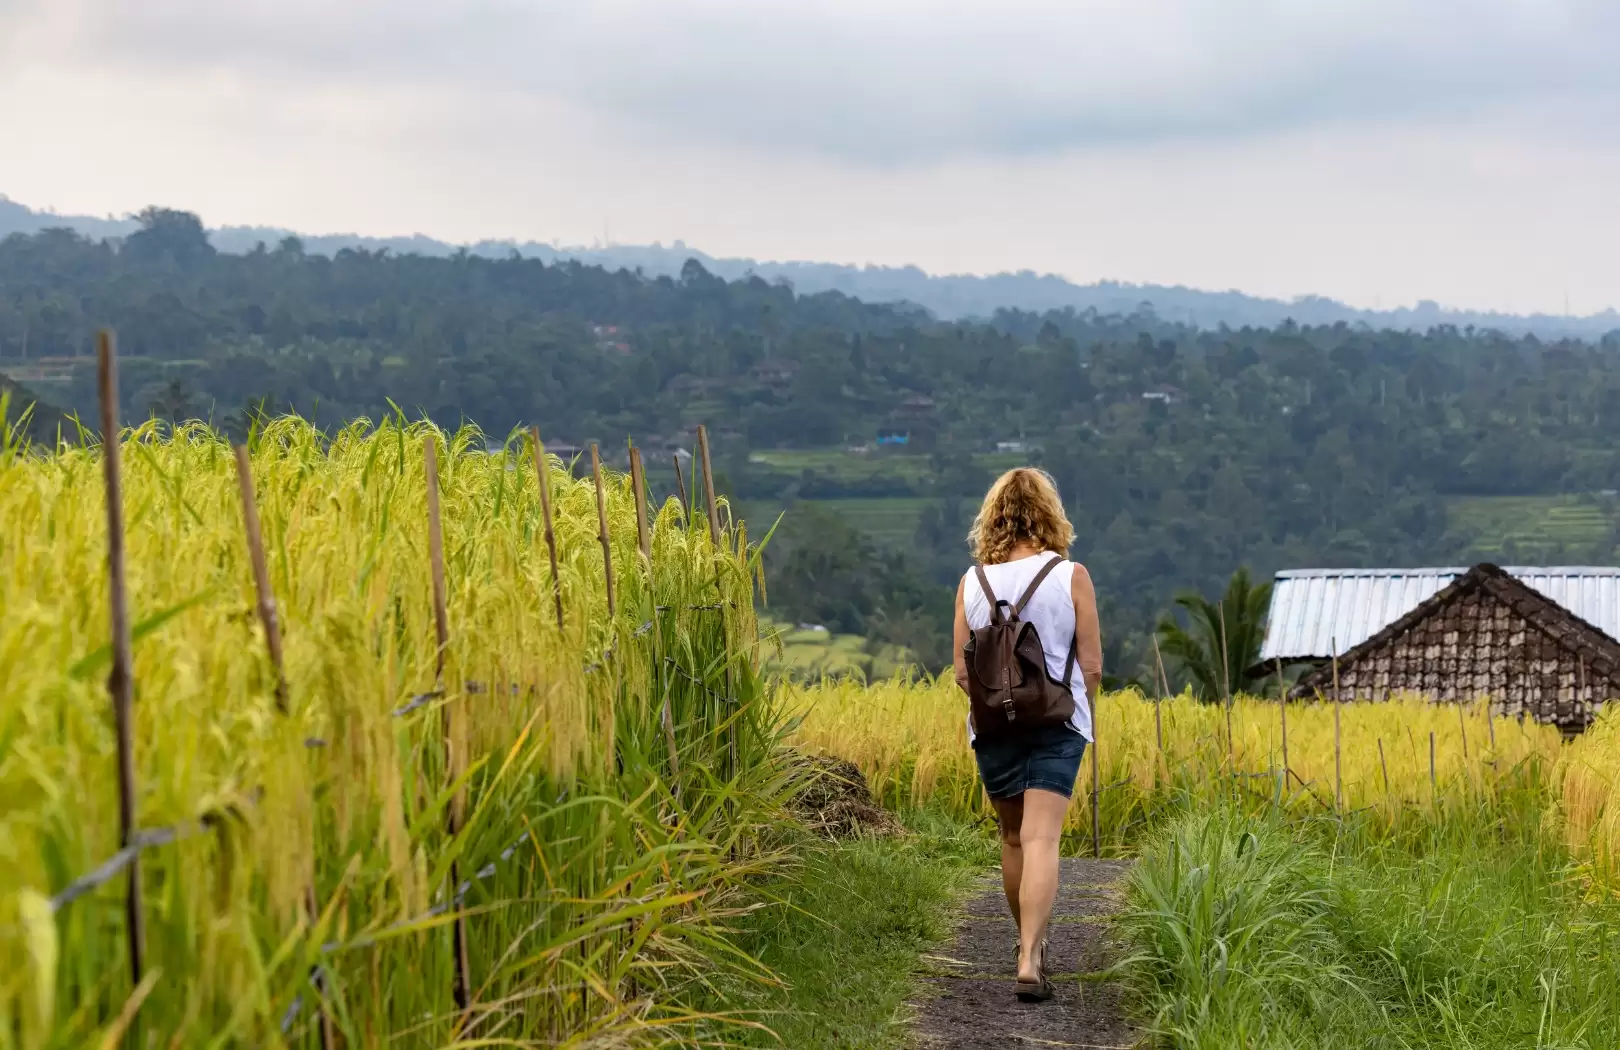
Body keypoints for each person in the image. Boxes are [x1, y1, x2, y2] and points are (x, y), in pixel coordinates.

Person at [952, 467, 1102, 1002]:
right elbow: (1093, 666)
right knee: (1043, 839)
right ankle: (1030, 955)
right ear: (1048, 515)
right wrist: (1082, 709)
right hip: (1058, 723)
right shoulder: (1071, 575)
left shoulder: (972, 583)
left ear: (993, 519)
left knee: (1013, 838)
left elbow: (962, 673)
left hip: (993, 727)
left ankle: (1024, 944)